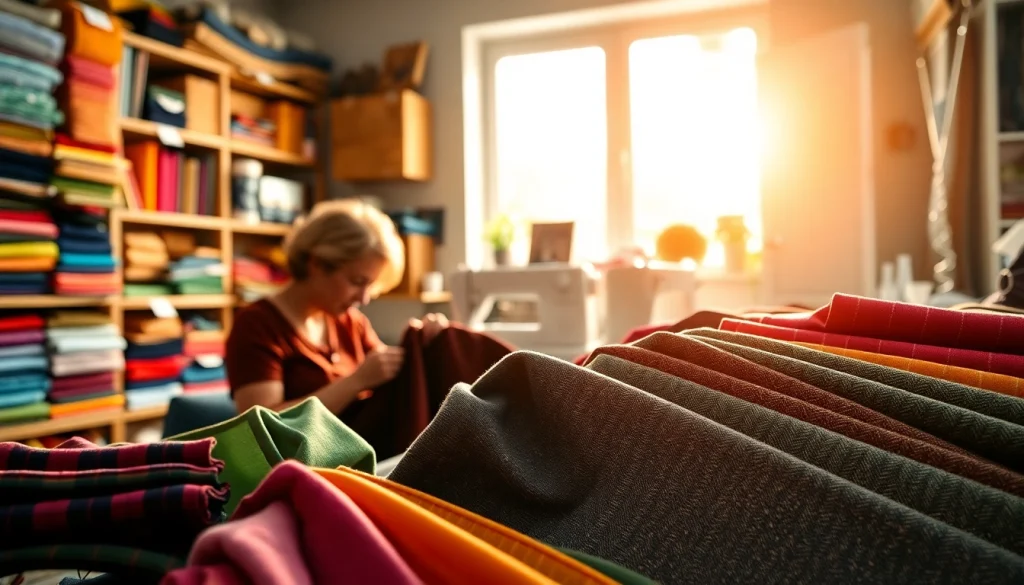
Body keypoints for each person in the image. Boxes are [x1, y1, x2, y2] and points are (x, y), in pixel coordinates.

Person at [225, 199, 448, 415]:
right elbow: (262, 425)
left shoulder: (350, 321)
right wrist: (355, 382)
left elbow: (390, 376)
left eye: (370, 285)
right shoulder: (256, 326)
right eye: (357, 282)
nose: (364, 298)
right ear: (317, 265)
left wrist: (424, 342)